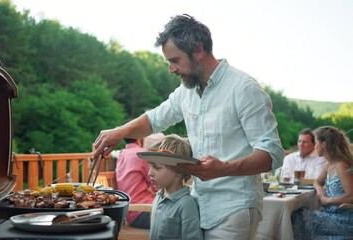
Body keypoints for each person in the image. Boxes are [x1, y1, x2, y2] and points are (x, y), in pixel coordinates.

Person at [94, 14, 285, 239]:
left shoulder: (243, 89)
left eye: (175, 60)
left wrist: (224, 169)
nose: (171, 69)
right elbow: (154, 119)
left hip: (233, 209)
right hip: (197, 205)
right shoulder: (186, 92)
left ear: (198, 50)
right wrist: (120, 131)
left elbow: (272, 154)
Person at [291, 126, 353, 239]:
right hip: (330, 214)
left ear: (323, 144)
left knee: (296, 217)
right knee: (296, 215)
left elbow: (351, 196)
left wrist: (328, 200)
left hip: (343, 218)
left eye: (316, 143)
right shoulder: (329, 164)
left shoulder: (342, 165)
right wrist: (319, 190)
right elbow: (317, 182)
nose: (315, 146)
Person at [146, 134, 203, 240]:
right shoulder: (158, 196)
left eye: (157, 168)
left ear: (178, 171)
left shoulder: (186, 204)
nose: (150, 173)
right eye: (150, 167)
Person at [116, 137, 157, 229]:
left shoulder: (122, 154)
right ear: (140, 137)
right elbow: (156, 182)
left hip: (129, 212)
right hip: (142, 212)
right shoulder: (141, 154)